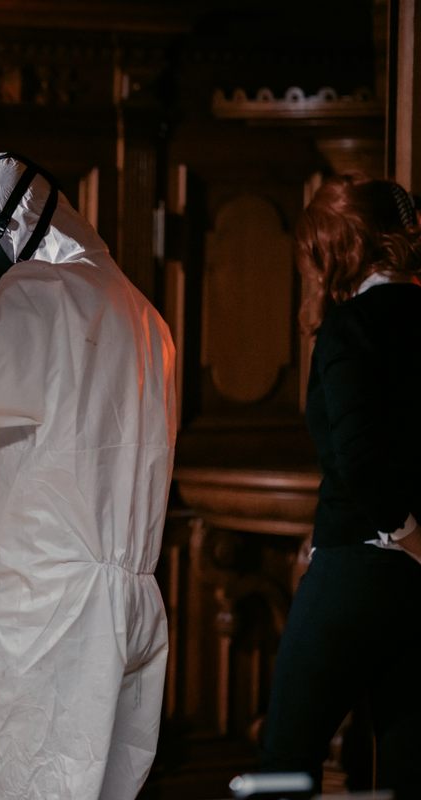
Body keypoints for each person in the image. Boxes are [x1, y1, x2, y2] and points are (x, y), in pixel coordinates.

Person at [0, 152, 177, 799]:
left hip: (39, 615)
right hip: (124, 606)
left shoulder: (45, 291)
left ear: (14, 230)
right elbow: (37, 434)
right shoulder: (143, 316)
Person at [260, 174, 421, 795]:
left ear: (336, 249)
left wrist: (405, 534)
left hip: (359, 565)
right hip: (416, 579)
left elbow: (359, 458)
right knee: (410, 763)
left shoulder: (351, 328)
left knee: (285, 763)